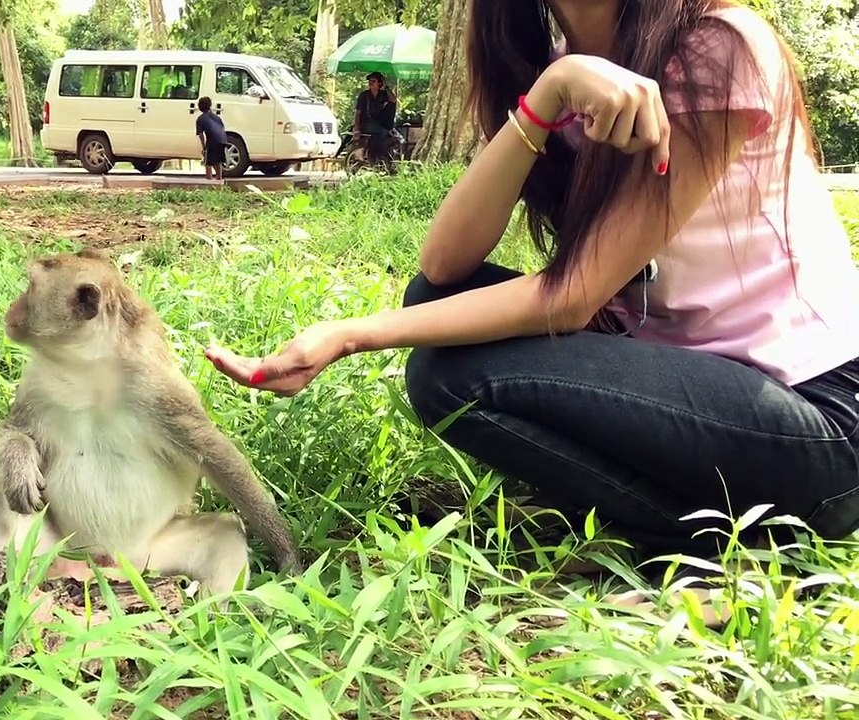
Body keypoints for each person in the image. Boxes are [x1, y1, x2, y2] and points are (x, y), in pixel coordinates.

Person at [206, 0, 859, 623]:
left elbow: (574, 295)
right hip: (691, 384)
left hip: (814, 417)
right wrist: (550, 92)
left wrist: (349, 335)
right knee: (433, 305)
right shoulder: (558, 70)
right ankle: (692, 527)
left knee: (453, 380)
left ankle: (715, 543)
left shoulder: (719, 47)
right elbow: (444, 265)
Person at [352, 71, 397, 167]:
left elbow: (393, 100)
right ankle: (376, 158)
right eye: (370, 81)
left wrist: (387, 87)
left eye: (373, 81)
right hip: (367, 123)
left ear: (379, 83)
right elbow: (358, 113)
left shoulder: (384, 94)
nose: (370, 83)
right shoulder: (364, 96)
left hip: (380, 123)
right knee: (381, 133)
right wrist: (356, 128)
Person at [195, 96, 226, 181]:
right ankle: (219, 177)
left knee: (208, 161)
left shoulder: (200, 119)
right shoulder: (216, 117)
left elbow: (201, 134)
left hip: (212, 141)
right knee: (218, 160)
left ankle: (209, 179)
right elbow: (222, 128)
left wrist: (204, 146)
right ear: (210, 105)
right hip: (223, 140)